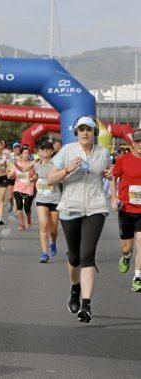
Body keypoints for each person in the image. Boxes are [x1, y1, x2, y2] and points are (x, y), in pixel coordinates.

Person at [47, 115, 112, 323]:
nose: (85, 133)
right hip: (70, 208)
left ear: (95, 132)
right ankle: (75, 289)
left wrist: (109, 174)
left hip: (95, 208)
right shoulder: (67, 151)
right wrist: (67, 169)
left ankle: (86, 305)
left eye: (89, 129)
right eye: (82, 129)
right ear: (76, 132)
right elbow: (50, 179)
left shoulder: (104, 153)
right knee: (74, 257)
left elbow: (106, 173)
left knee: (87, 255)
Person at [111, 129, 141, 291]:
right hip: (127, 209)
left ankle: (138, 277)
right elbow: (113, 177)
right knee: (127, 247)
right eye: (138, 141)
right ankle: (126, 256)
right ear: (133, 144)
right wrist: (114, 198)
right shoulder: (123, 160)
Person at [34, 141, 61, 263]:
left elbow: (63, 177)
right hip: (41, 199)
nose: (45, 151)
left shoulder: (56, 165)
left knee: (53, 229)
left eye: (47, 149)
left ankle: (53, 242)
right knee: (43, 224)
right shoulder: (36, 165)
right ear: (39, 151)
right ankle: (44, 253)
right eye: (42, 149)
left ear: (51, 151)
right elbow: (26, 171)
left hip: (55, 198)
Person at [10, 146, 36, 231]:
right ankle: (21, 224)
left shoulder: (32, 164)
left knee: (27, 208)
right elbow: (11, 174)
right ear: (21, 154)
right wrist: (11, 175)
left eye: (28, 153)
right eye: (25, 153)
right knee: (19, 206)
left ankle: (28, 218)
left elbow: (35, 176)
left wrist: (33, 178)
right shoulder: (17, 164)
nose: (27, 155)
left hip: (29, 188)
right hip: (18, 188)